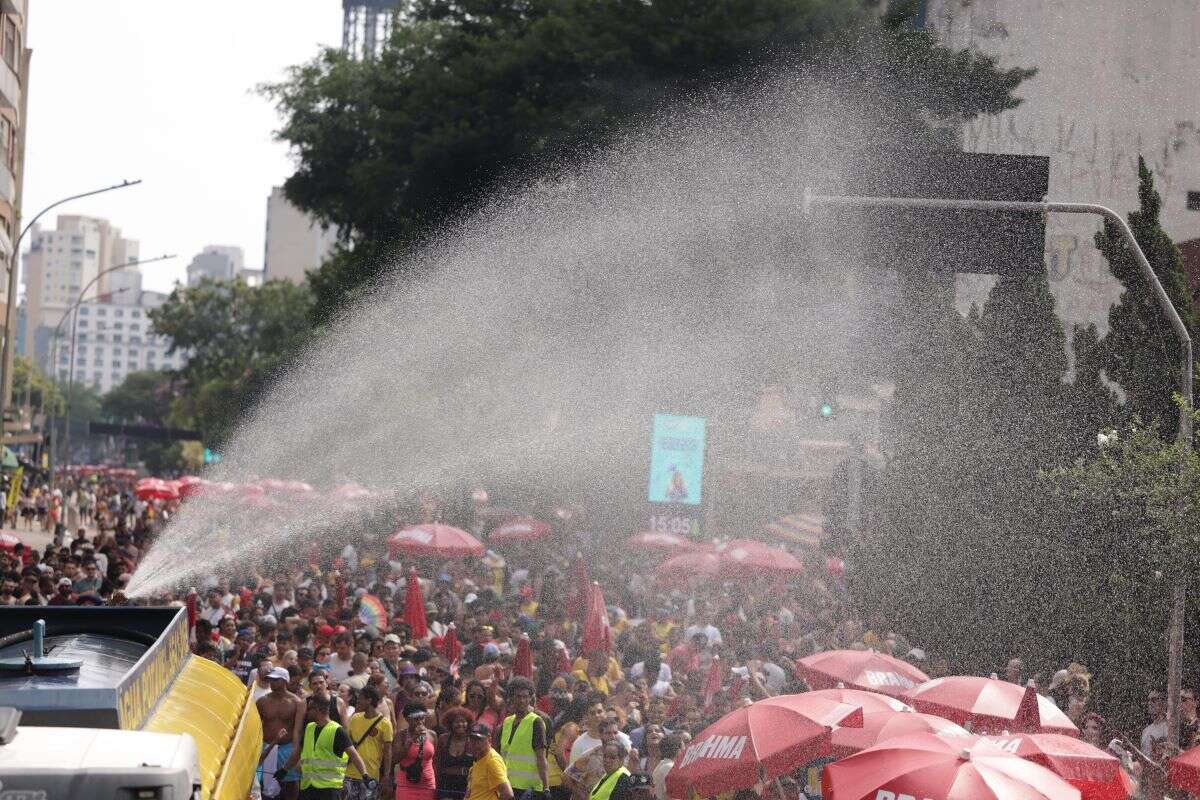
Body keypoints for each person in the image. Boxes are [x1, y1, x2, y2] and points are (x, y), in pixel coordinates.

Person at [280, 695, 367, 800]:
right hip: (308, 787)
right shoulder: (309, 728)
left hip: (329, 789)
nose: (307, 712)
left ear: (317, 710)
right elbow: (297, 754)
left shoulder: (337, 731)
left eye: (309, 709)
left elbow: (354, 756)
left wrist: (365, 775)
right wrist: (284, 769)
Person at [257, 666, 305, 800]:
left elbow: (298, 730)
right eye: (270, 680)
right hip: (266, 746)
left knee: (290, 783)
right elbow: (255, 727)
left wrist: (296, 753)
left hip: (287, 747)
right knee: (260, 783)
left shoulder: (296, 702)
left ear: (284, 681)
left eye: (275, 680)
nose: (272, 683)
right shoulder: (262, 701)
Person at [499, 677, 549, 800]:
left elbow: (541, 757)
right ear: (511, 698)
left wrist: (546, 787)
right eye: (518, 696)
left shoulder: (536, 722)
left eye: (525, 697)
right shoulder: (507, 722)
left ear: (530, 699)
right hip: (508, 786)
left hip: (529, 790)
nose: (521, 700)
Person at [346, 685, 394, 800]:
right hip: (350, 774)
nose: (357, 702)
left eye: (360, 699)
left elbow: (388, 752)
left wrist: (386, 776)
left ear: (369, 700)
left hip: (371, 776)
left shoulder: (385, 723)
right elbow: (348, 743)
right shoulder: (355, 718)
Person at [395, 702, 438, 800]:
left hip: (427, 784)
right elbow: (395, 759)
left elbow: (436, 760)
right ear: (407, 719)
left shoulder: (432, 735)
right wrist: (412, 739)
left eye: (422, 718)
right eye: (416, 719)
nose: (420, 722)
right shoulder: (401, 736)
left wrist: (437, 783)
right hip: (406, 784)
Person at [437, 707, 477, 800]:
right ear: (450, 724)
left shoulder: (472, 741)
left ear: (468, 723)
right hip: (445, 784)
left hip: (466, 785)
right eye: (456, 722)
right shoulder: (443, 739)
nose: (460, 724)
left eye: (463, 721)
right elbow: (437, 762)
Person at [466, 723, 513, 800]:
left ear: (489, 739)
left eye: (479, 740)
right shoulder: (479, 759)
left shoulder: (492, 761)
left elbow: (507, 794)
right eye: (472, 740)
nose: (475, 744)